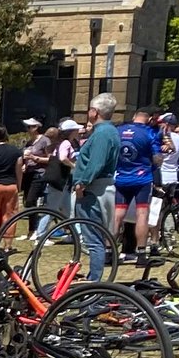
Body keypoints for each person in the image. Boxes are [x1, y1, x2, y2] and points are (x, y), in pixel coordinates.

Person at [72, 96, 122, 279]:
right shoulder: (110, 131)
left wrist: (82, 183)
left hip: (93, 189)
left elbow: (96, 162)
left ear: (95, 112)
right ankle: (95, 278)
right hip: (101, 187)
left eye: (90, 109)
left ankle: (94, 281)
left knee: (93, 239)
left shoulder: (102, 134)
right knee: (95, 237)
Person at [113, 108, 163, 271]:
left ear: (134, 117)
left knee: (118, 214)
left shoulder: (118, 131)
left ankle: (108, 250)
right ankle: (141, 253)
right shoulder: (150, 133)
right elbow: (157, 159)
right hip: (142, 178)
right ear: (148, 119)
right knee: (142, 214)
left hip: (121, 177)